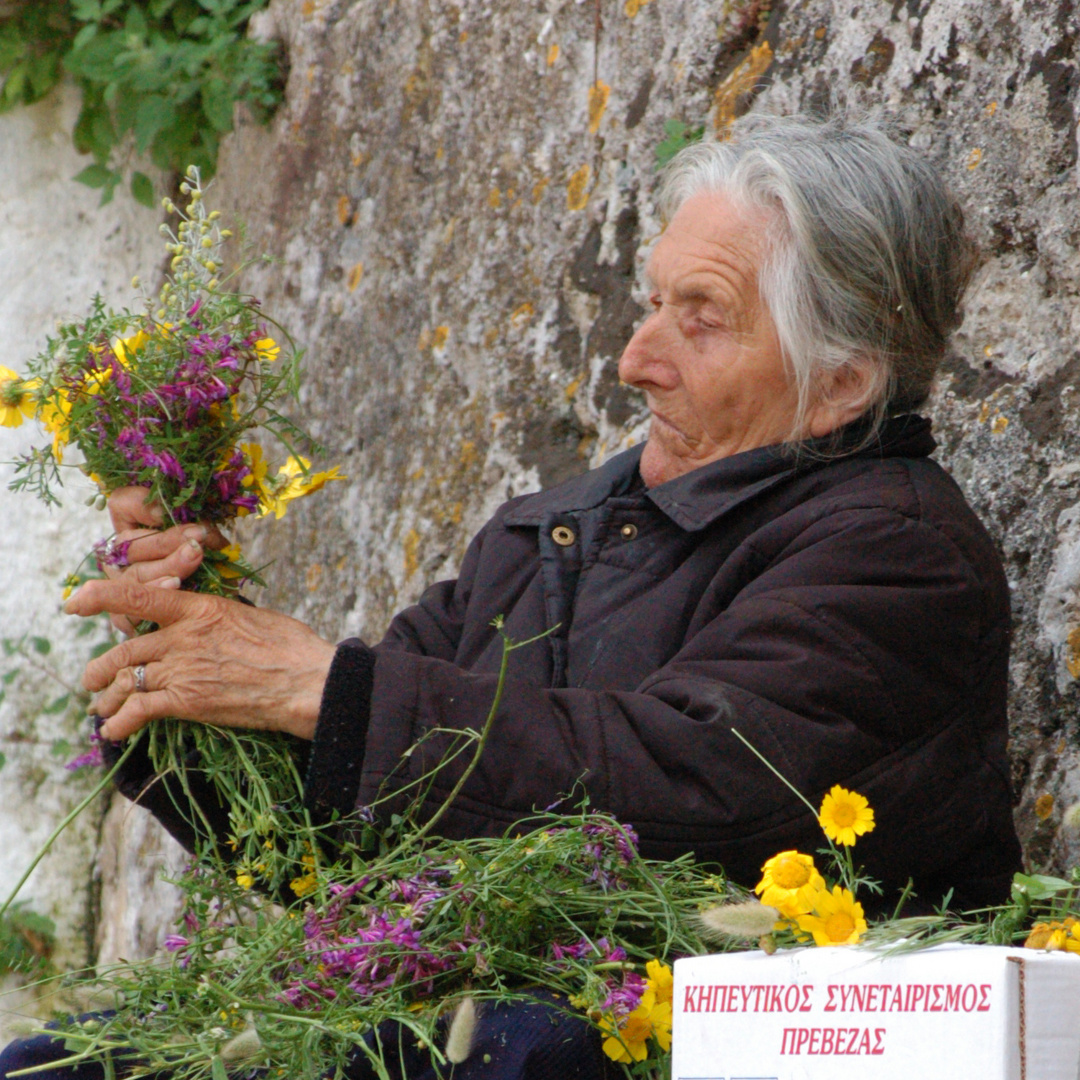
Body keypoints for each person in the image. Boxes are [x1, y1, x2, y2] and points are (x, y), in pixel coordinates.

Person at [0, 112, 1022, 1079]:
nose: (636, 360)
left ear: (842, 381)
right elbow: (326, 842)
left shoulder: (895, 553)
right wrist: (180, 645)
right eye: (653, 301)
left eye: (700, 321)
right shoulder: (548, 533)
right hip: (468, 1014)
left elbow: (701, 789)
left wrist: (329, 691)